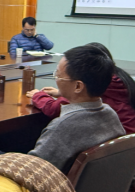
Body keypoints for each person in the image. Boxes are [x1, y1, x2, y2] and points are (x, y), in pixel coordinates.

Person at [25, 45, 125, 173]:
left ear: (78, 86)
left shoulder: (63, 126)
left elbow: (31, 173)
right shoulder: (110, 114)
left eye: (58, 75)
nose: (56, 79)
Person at [27, 42, 135, 134]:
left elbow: (54, 109)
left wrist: (38, 96)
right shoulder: (120, 78)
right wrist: (61, 92)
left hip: (120, 147)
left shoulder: (94, 84)